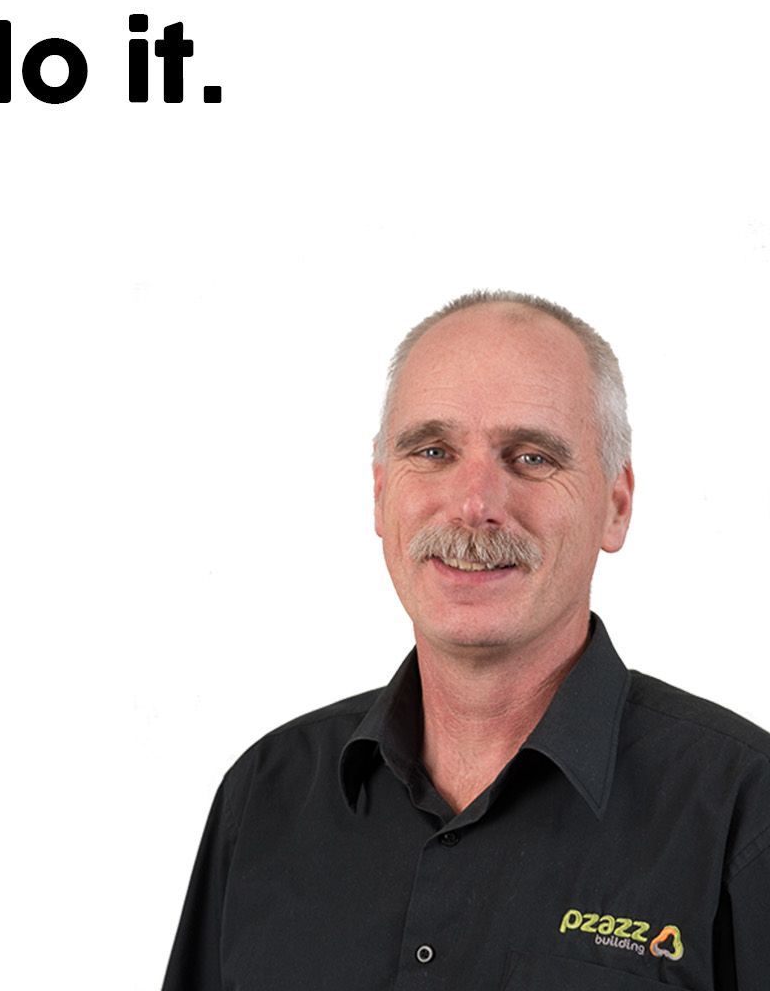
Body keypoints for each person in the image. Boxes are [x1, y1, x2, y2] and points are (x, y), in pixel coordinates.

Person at [160, 291, 769, 991]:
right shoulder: (265, 798)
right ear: (381, 495)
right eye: (433, 450)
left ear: (616, 506)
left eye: (533, 457)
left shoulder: (743, 814)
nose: (475, 502)